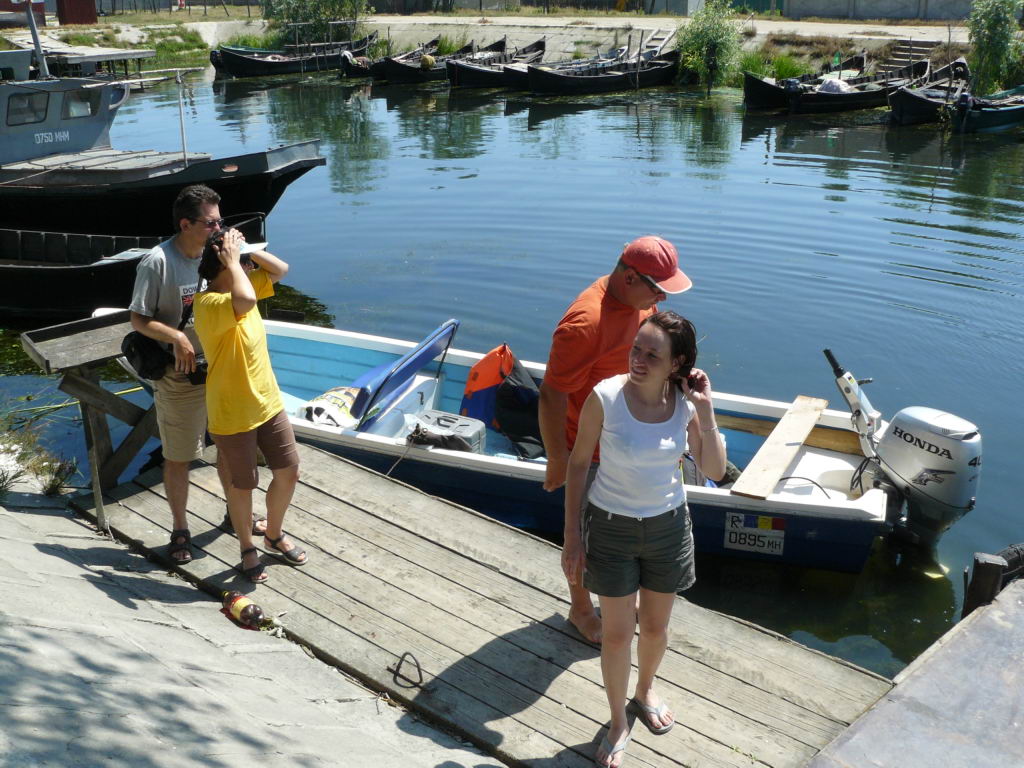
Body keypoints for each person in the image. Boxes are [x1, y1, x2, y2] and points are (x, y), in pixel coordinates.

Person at [563, 311, 725, 768]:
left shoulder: (687, 405)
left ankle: (645, 690)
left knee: (654, 628)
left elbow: (713, 470)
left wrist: (707, 411)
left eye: (653, 354)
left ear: (677, 364)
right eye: (637, 349)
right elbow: (578, 465)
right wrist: (572, 536)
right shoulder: (606, 397)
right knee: (616, 636)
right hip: (611, 526)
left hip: (667, 528)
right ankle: (618, 720)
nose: (639, 359)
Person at [538, 236, 691, 644]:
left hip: (629, 442)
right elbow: (551, 392)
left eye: (664, 290)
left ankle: (613, 597)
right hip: (589, 447)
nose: (660, 297)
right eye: (657, 288)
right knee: (585, 534)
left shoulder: (641, 304)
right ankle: (580, 608)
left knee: (619, 530)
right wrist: (557, 458)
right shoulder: (586, 323)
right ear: (628, 276)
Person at [129, 184, 265, 565]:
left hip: (220, 369)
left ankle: (234, 514)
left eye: (221, 220)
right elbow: (138, 318)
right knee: (178, 456)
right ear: (186, 224)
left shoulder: (216, 253)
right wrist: (175, 337)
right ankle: (179, 528)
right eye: (211, 222)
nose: (218, 228)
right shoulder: (157, 262)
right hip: (178, 374)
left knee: (229, 447)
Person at [192, 227, 307, 583]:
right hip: (232, 411)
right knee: (244, 485)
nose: (243, 263)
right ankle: (246, 546)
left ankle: (273, 534)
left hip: (268, 403)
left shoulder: (242, 282)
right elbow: (245, 302)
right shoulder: (208, 303)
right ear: (225, 265)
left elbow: (281, 270)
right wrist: (234, 261)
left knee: (289, 471)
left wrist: (248, 250)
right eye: (237, 259)